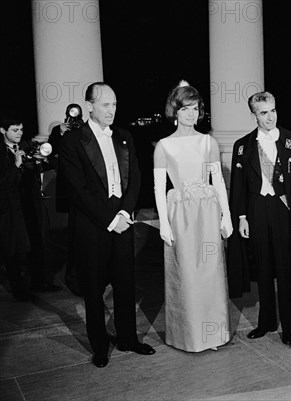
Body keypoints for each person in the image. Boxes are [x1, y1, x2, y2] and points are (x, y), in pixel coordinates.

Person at [60, 82, 155, 368]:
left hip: (123, 223)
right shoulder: (73, 141)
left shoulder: (124, 136)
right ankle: (100, 346)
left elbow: (136, 178)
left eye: (114, 104)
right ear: (89, 105)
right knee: (93, 288)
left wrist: (125, 213)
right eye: (105, 105)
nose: (111, 110)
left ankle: (128, 339)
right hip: (93, 226)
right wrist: (110, 219)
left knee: (125, 284)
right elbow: (78, 190)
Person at [153, 81, 233, 352]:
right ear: (175, 111)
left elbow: (218, 180)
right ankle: (189, 336)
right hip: (181, 214)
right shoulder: (163, 146)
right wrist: (163, 223)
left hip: (208, 212)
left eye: (195, 108)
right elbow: (158, 187)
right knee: (187, 276)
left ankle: (213, 335)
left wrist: (227, 216)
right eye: (185, 109)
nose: (191, 114)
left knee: (210, 274)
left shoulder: (207, 141)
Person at [228, 91, 291, 345]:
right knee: (263, 268)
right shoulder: (242, 146)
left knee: (285, 269)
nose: (270, 117)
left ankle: (290, 327)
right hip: (256, 209)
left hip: (283, 209)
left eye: (272, 110)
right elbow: (238, 185)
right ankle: (266, 322)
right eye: (263, 113)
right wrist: (241, 217)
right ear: (254, 116)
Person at [0, 112, 60, 299]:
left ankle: (39, 281)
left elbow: (45, 165)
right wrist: (17, 164)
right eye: (15, 130)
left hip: (30, 204)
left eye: (22, 129)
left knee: (37, 242)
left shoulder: (25, 145)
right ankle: (19, 289)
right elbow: (4, 182)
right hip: (10, 208)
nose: (19, 133)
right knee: (14, 248)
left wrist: (40, 160)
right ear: (2, 130)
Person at [48, 103, 85, 296]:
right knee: (74, 237)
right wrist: (59, 133)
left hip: (86, 189)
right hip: (71, 191)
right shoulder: (59, 131)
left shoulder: (86, 130)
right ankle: (74, 279)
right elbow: (50, 151)